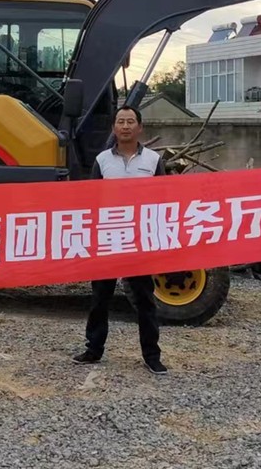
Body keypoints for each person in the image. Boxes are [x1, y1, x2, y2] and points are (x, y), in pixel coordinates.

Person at [71, 105, 168, 375]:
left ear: (140, 127)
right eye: (121, 121)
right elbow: (92, 200)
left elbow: (164, 198)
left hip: (139, 239)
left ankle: (151, 355)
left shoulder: (153, 160)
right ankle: (93, 349)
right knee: (100, 297)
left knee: (144, 299)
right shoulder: (102, 160)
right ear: (114, 127)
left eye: (130, 121)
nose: (125, 126)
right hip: (108, 237)